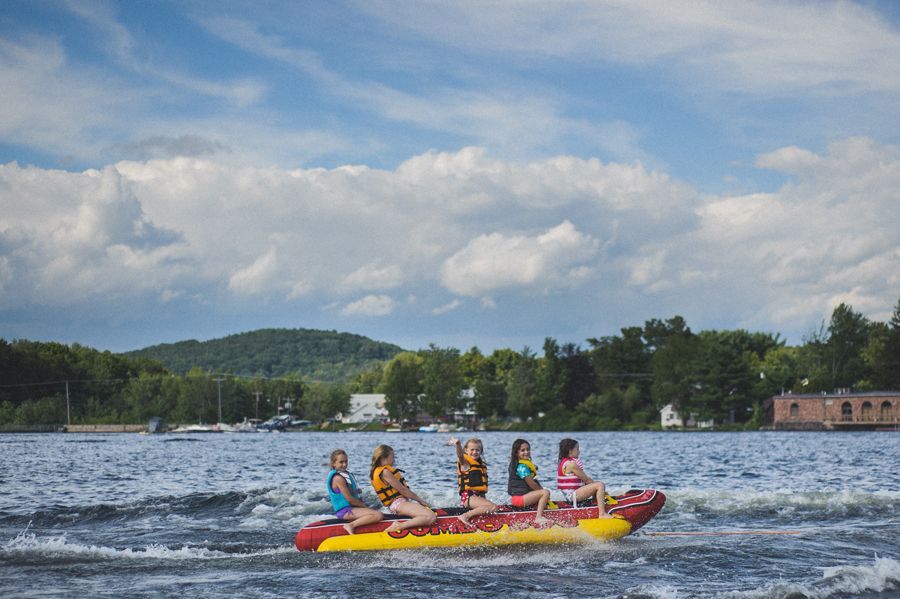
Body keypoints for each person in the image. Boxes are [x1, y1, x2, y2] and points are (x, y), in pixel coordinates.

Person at [370, 444, 437, 533]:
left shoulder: (376, 471)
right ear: (383, 458)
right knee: (430, 516)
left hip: (395, 505)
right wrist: (420, 500)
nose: (394, 460)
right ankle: (399, 525)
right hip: (399, 504)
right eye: (392, 457)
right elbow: (403, 490)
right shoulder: (385, 472)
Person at [326, 449, 384, 534]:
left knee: (375, 512)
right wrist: (365, 507)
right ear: (334, 464)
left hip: (352, 508)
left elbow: (350, 493)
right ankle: (351, 525)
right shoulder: (338, 478)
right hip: (345, 511)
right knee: (378, 515)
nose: (344, 464)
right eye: (341, 462)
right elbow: (350, 499)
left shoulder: (345, 475)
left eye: (346, 461)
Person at [557, 438, 614, 518]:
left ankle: (596, 505)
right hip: (573, 496)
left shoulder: (564, 462)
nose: (579, 451)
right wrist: (601, 491)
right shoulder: (571, 465)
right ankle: (602, 514)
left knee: (596, 486)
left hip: (572, 495)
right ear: (570, 451)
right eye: (577, 449)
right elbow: (587, 480)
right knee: (600, 485)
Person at [449, 436, 498, 526]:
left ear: (480, 451)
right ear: (466, 450)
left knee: (490, 507)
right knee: (493, 507)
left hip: (477, 497)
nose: (475, 452)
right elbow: (460, 455)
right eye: (472, 450)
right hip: (469, 497)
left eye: (477, 450)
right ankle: (465, 516)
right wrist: (458, 444)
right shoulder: (465, 463)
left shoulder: (481, 465)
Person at [507, 438, 551, 527]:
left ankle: (537, 510)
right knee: (545, 492)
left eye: (528, 449)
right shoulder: (522, 467)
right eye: (522, 450)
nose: (526, 452)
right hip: (519, 499)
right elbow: (531, 484)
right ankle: (538, 517)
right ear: (516, 453)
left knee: (542, 494)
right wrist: (544, 494)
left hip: (519, 497)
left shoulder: (520, 464)